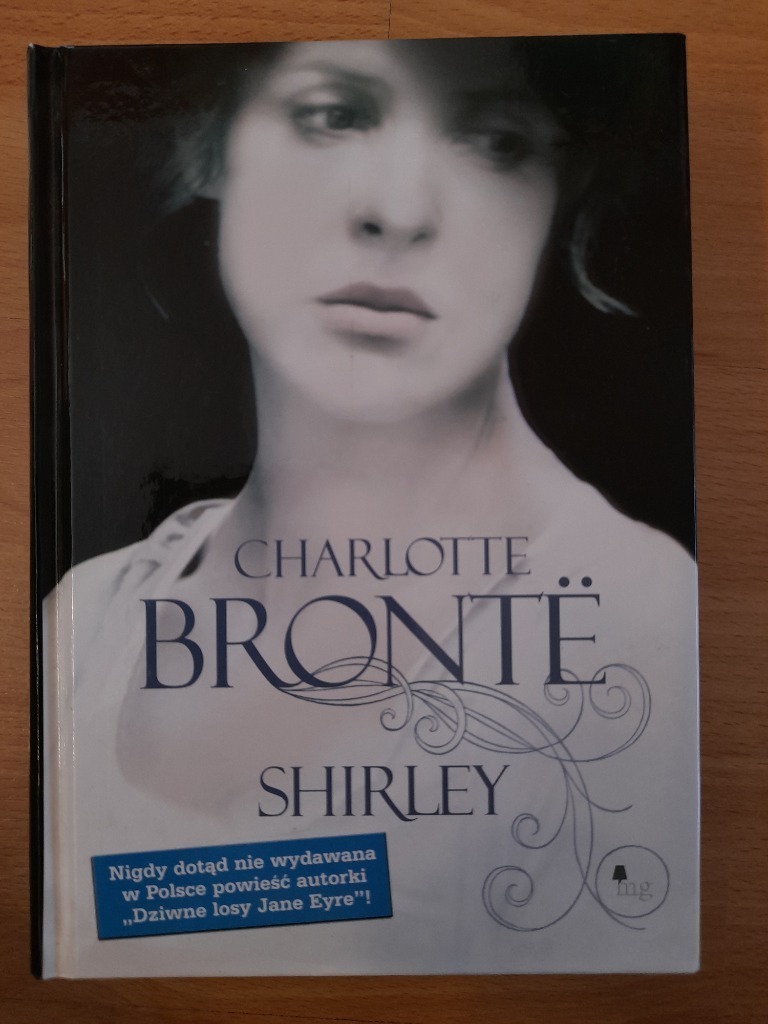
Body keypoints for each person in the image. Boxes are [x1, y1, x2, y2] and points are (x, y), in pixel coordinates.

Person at [42, 38, 698, 976]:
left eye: (498, 141)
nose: (398, 210)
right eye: (335, 115)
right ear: (209, 138)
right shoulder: (85, 621)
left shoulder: (642, 634)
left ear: (567, 189)